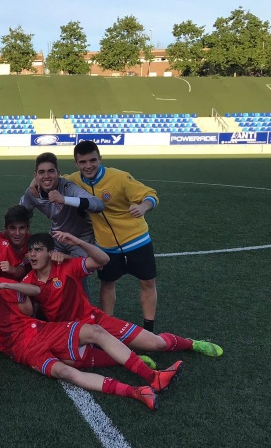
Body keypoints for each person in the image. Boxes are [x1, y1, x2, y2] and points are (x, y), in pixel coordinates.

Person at [0, 253, 184, 411]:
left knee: (95, 331)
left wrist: (6, 285)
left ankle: (152, 377)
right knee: (68, 372)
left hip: (41, 331)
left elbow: (29, 299)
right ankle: (136, 392)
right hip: (22, 352)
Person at [23, 232, 223, 360]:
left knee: (155, 344)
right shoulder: (27, 281)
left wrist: (76, 241)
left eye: (38, 250)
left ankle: (192, 343)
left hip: (94, 320)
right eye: (30, 250)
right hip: (67, 331)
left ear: (51, 252)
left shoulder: (67, 266)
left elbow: (103, 259)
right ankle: (130, 358)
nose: (32, 254)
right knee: (67, 359)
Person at [67, 140, 160, 331]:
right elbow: (54, 179)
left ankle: (149, 328)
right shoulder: (74, 180)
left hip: (137, 240)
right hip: (106, 246)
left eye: (93, 160)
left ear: (100, 158)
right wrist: (35, 182)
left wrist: (143, 206)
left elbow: (150, 195)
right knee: (107, 284)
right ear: (76, 164)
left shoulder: (119, 177)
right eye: (82, 162)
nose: (88, 166)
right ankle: (107, 327)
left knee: (147, 282)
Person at [21, 152, 104, 256]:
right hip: (57, 238)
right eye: (41, 172)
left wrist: (65, 199)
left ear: (58, 173)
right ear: (35, 176)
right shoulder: (32, 192)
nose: (46, 176)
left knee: (77, 268)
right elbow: (20, 212)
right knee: (48, 266)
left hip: (80, 238)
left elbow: (99, 205)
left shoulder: (68, 187)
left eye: (51, 171)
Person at [0, 204, 33, 280]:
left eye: (22, 228)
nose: (17, 233)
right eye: (12, 228)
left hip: (26, 286)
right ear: (5, 228)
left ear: (28, 228)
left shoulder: (35, 243)